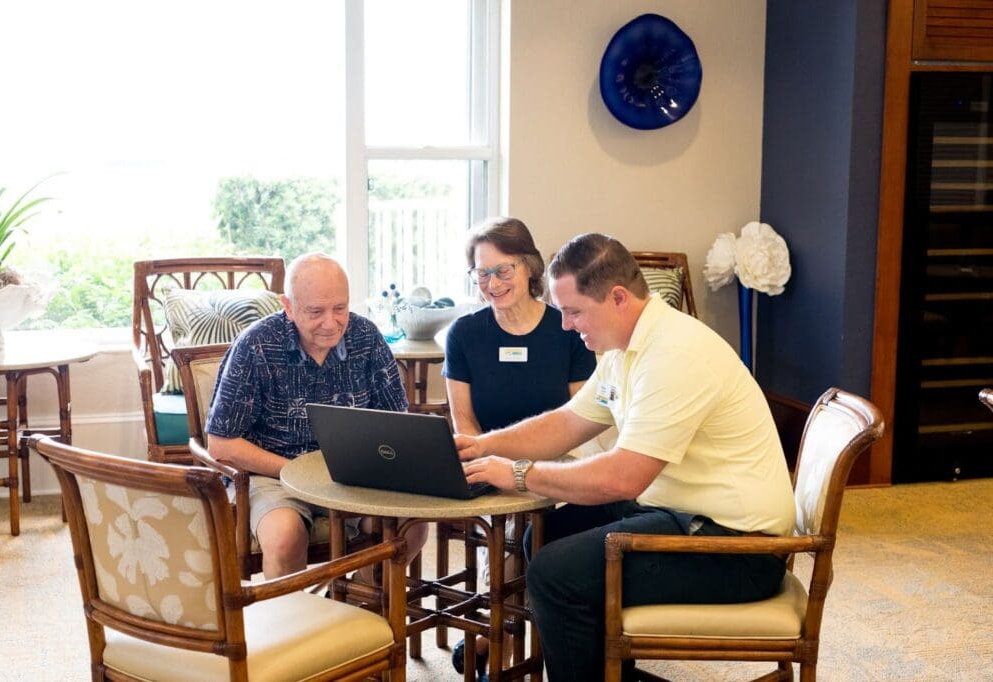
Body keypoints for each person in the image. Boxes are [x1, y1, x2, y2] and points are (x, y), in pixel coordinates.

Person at [457, 233, 795, 682]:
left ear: (617, 297)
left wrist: (518, 474)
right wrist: (485, 445)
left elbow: (621, 479)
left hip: (738, 549)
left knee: (554, 573)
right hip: (682, 513)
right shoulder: (624, 346)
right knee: (543, 537)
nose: (565, 326)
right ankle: (609, 672)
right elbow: (567, 423)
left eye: (574, 311)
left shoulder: (675, 354)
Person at [205, 253, 426, 579]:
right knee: (285, 539)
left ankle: (364, 607)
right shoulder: (257, 345)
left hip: (353, 474)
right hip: (274, 475)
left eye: (340, 309)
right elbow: (221, 445)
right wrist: (298, 473)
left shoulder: (366, 338)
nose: (330, 322)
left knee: (413, 527)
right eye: (315, 312)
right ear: (288, 306)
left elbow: (399, 423)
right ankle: (296, 626)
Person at [442, 217, 596, 676]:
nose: (493, 284)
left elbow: (582, 416)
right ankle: (504, 646)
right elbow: (463, 420)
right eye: (482, 273)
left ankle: (493, 644)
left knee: (519, 537)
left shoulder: (567, 328)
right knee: (510, 532)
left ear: (529, 267)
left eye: (503, 270)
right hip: (488, 464)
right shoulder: (465, 334)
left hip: (559, 464)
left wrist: (531, 468)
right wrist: (493, 463)